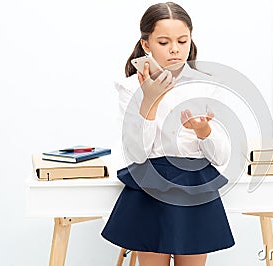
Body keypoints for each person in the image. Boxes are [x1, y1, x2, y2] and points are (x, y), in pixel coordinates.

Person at [101, 2, 235, 266]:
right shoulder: (130, 87)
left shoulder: (206, 85)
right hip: (150, 187)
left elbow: (222, 156)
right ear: (146, 45)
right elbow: (137, 153)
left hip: (195, 187)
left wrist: (203, 130)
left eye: (182, 41)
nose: (175, 49)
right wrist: (148, 102)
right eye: (164, 42)